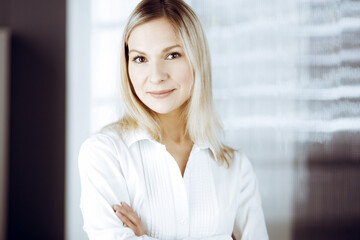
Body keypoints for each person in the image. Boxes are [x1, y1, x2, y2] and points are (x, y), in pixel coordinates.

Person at [78, 0, 269, 239]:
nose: (156, 76)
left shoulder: (235, 168)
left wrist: (144, 237)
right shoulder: (104, 154)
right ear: (126, 66)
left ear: (196, 59)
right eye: (140, 59)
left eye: (172, 55)